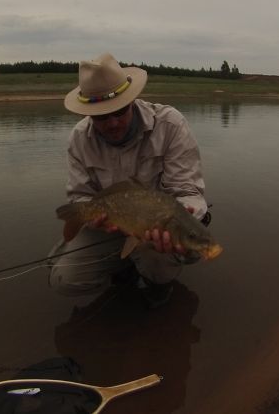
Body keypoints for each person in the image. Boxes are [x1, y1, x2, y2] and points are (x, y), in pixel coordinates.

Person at [48, 53, 210, 307]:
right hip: (109, 224)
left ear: (132, 100)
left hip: (159, 227)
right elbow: (80, 197)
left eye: (120, 111)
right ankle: (123, 268)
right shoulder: (78, 138)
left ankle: (158, 285)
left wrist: (185, 214)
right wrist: (95, 220)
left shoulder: (171, 125)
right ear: (88, 113)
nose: (112, 123)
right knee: (62, 279)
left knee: (173, 252)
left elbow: (188, 190)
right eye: (101, 116)